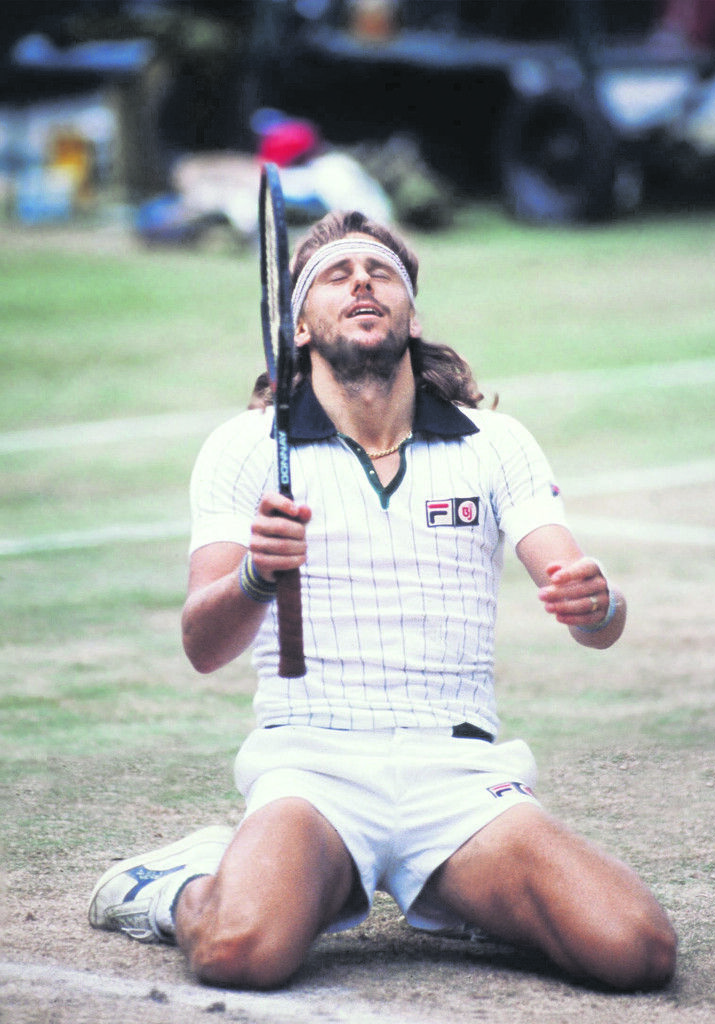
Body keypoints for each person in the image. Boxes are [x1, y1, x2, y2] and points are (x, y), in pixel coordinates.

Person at [88, 210, 677, 992]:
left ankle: (463, 890)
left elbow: (596, 620)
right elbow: (203, 646)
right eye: (336, 274)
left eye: (381, 273)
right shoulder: (243, 447)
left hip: (459, 773)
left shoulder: (495, 442)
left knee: (636, 951)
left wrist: (597, 605)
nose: (362, 282)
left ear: (412, 316)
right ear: (299, 327)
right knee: (239, 951)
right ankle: (176, 884)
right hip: (312, 768)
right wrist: (256, 577)